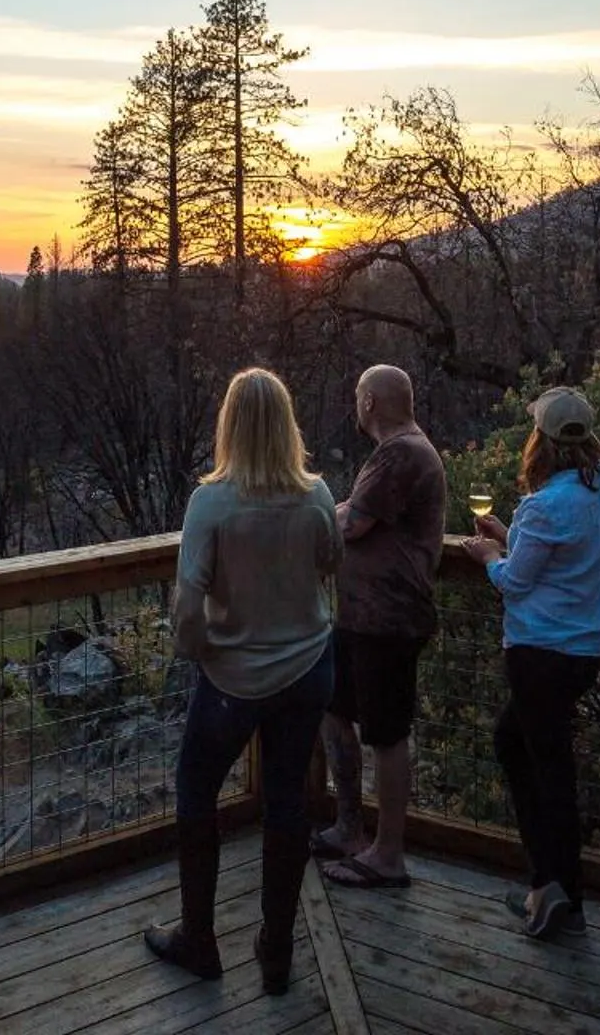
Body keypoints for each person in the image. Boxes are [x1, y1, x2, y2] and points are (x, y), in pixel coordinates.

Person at [145, 367, 342, 996]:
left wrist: (199, 651)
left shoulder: (213, 502)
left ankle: (199, 940)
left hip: (232, 677)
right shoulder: (316, 495)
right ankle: (276, 951)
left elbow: (188, 603)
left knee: (196, 790)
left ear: (229, 424)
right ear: (287, 424)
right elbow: (330, 561)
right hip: (307, 668)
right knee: (288, 800)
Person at [460, 385, 600, 941]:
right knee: (517, 745)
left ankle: (560, 893)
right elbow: (554, 556)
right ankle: (548, 885)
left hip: (540, 653)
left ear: (541, 440)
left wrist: (489, 556)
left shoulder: (545, 504)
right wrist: (511, 536)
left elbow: (515, 582)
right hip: (582, 648)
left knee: (550, 774)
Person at [316, 364, 446, 890]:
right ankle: (350, 828)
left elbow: (351, 523)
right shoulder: (399, 452)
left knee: (388, 735)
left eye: (357, 396)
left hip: (389, 620)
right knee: (334, 708)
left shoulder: (401, 454)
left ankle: (388, 854)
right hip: (361, 618)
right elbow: (355, 510)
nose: (355, 404)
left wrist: (310, 513)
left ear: (369, 402)